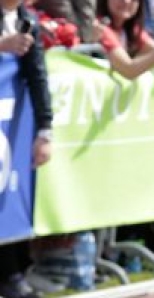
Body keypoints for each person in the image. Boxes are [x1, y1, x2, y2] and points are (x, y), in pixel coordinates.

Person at [0, 0, 53, 297]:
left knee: (10, 202)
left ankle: (12, 274)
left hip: (9, 129)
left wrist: (45, 131)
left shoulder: (27, 18)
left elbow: (38, 77)